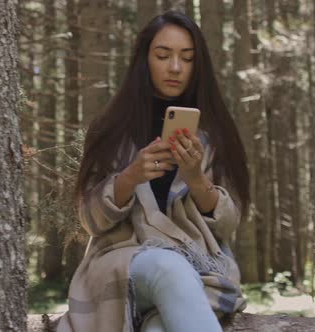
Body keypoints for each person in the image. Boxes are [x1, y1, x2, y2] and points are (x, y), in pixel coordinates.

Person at [57, 11, 250, 332]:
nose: (175, 67)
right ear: (144, 59)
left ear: (197, 66)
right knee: (167, 266)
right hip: (121, 267)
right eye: (163, 55)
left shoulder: (216, 133)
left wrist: (197, 180)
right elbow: (89, 220)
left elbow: (230, 224)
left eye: (187, 59)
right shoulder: (110, 128)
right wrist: (129, 178)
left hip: (200, 270)